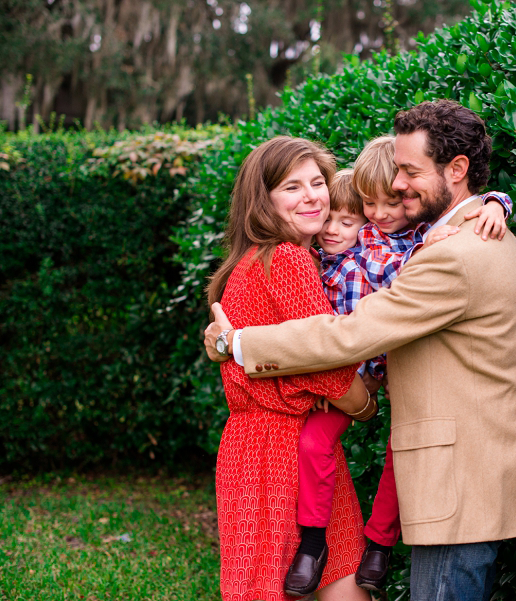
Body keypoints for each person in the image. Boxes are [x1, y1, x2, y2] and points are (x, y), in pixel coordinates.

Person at [205, 100, 516, 601]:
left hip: (459, 479)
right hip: (471, 473)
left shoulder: (456, 253)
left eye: (410, 171)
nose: (395, 185)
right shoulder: (463, 234)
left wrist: (235, 341)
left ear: (457, 171)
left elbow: (347, 335)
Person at [293, 157, 512, 594]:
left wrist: (495, 204)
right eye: (365, 208)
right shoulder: (330, 255)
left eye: (348, 218)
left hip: (398, 371)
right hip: (345, 376)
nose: (337, 228)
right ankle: (312, 544)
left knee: (402, 454)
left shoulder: (414, 237)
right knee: (313, 441)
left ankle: (378, 544)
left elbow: (458, 212)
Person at [206, 136, 375, 601]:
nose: (312, 197)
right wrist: (365, 404)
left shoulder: (250, 261)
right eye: (292, 187)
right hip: (279, 450)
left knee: (307, 575)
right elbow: (326, 366)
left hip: (265, 444)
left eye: (318, 182)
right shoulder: (290, 258)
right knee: (322, 578)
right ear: (263, 200)